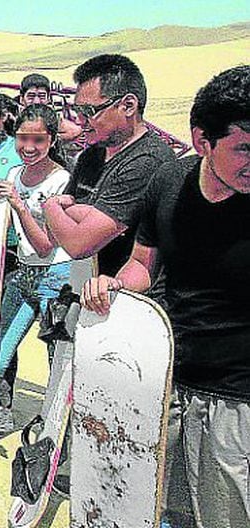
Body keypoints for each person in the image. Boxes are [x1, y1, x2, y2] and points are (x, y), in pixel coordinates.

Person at [81, 65, 249, 528]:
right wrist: (116, 286)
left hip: (238, 399)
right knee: (160, 505)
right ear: (202, 141)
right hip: (165, 378)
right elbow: (142, 264)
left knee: (227, 516)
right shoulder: (169, 182)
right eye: (244, 148)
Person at [42, 54, 176, 284]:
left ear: (128, 106)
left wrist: (51, 205)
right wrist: (83, 218)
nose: (80, 120)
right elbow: (53, 235)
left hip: (128, 294)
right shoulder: (90, 156)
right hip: (85, 286)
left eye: (88, 111)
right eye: (77, 110)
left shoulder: (148, 160)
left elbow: (78, 244)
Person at [0, 104, 73, 435]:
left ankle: (57, 430)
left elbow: (46, 245)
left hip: (57, 277)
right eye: (23, 138)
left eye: (38, 140)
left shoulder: (62, 181)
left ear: (52, 140)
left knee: (57, 359)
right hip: (24, 272)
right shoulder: (13, 175)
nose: (29, 147)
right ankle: (1, 409)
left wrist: (20, 205)